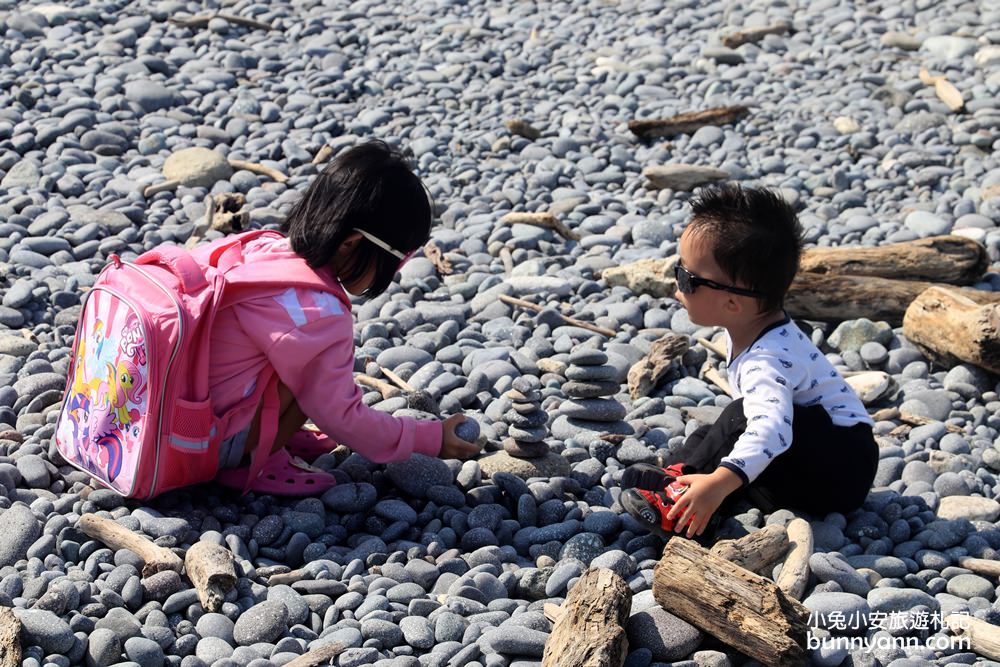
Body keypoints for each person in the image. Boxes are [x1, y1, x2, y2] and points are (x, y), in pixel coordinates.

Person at [202, 140, 480, 495]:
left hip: (166, 418)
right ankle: (252, 459)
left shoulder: (259, 248)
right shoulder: (316, 313)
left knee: (289, 362)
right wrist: (430, 438)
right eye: (399, 259)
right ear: (350, 243)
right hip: (204, 446)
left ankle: (266, 430)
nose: (396, 271)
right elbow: (341, 418)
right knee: (308, 378)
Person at [621, 184, 878, 539]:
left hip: (840, 469)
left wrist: (721, 481)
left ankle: (692, 499)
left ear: (732, 304)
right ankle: (682, 478)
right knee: (710, 432)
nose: (676, 286)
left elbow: (772, 428)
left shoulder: (767, 360)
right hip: (811, 458)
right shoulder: (751, 324)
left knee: (740, 417)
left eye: (686, 278)